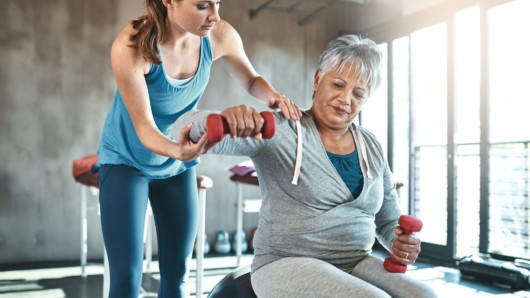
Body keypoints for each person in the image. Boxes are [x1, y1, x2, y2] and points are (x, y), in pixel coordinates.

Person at [174, 34, 437, 297]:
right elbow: (184, 126)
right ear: (318, 78)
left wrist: (400, 242)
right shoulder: (281, 129)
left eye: (358, 93)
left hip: (355, 261)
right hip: (284, 262)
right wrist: (222, 120)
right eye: (337, 84)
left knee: (425, 295)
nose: (345, 99)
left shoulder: (372, 146)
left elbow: (388, 220)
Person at [97, 0, 302, 297]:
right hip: (126, 161)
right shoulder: (131, 46)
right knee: (127, 279)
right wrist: (179, 152)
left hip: (176, 164)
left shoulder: (219, 35)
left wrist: (272, 96)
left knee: (177, 273)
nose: (215, 16)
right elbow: (145, 128)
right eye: (203, 5)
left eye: (218, 3)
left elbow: (251, 79)